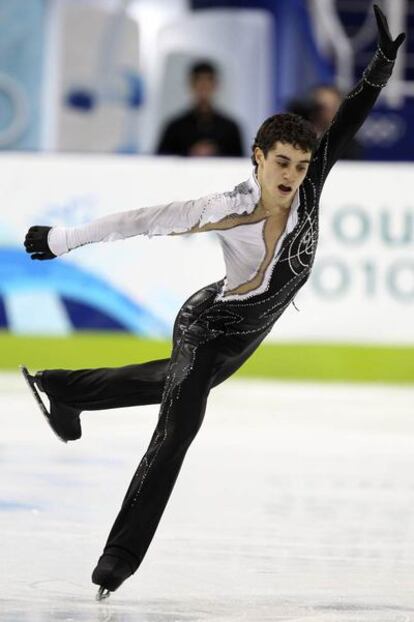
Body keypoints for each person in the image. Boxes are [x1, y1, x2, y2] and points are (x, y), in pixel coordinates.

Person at [22, 5, 405, 600]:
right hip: (208, 324)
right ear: (258, 157)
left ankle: (65, 388)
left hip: (248, 332)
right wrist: (62, 238)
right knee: (177, 427)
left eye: (302, 167)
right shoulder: (224, 208)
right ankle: (117, 559)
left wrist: (381, 65)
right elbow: (140, 219)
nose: (293, 175)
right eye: (282, 163)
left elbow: (348, 118)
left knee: (165, 382)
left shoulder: (309, 185)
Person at [156, 60, 244, 157]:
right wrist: (189, 153)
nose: (203, 88)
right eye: (199, 82)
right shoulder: (175, 128)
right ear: (191, 85)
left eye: (207, 82)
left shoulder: (230, 129)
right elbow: (161, 161)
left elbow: (239, 162)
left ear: (215, 85)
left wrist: (216, 153)